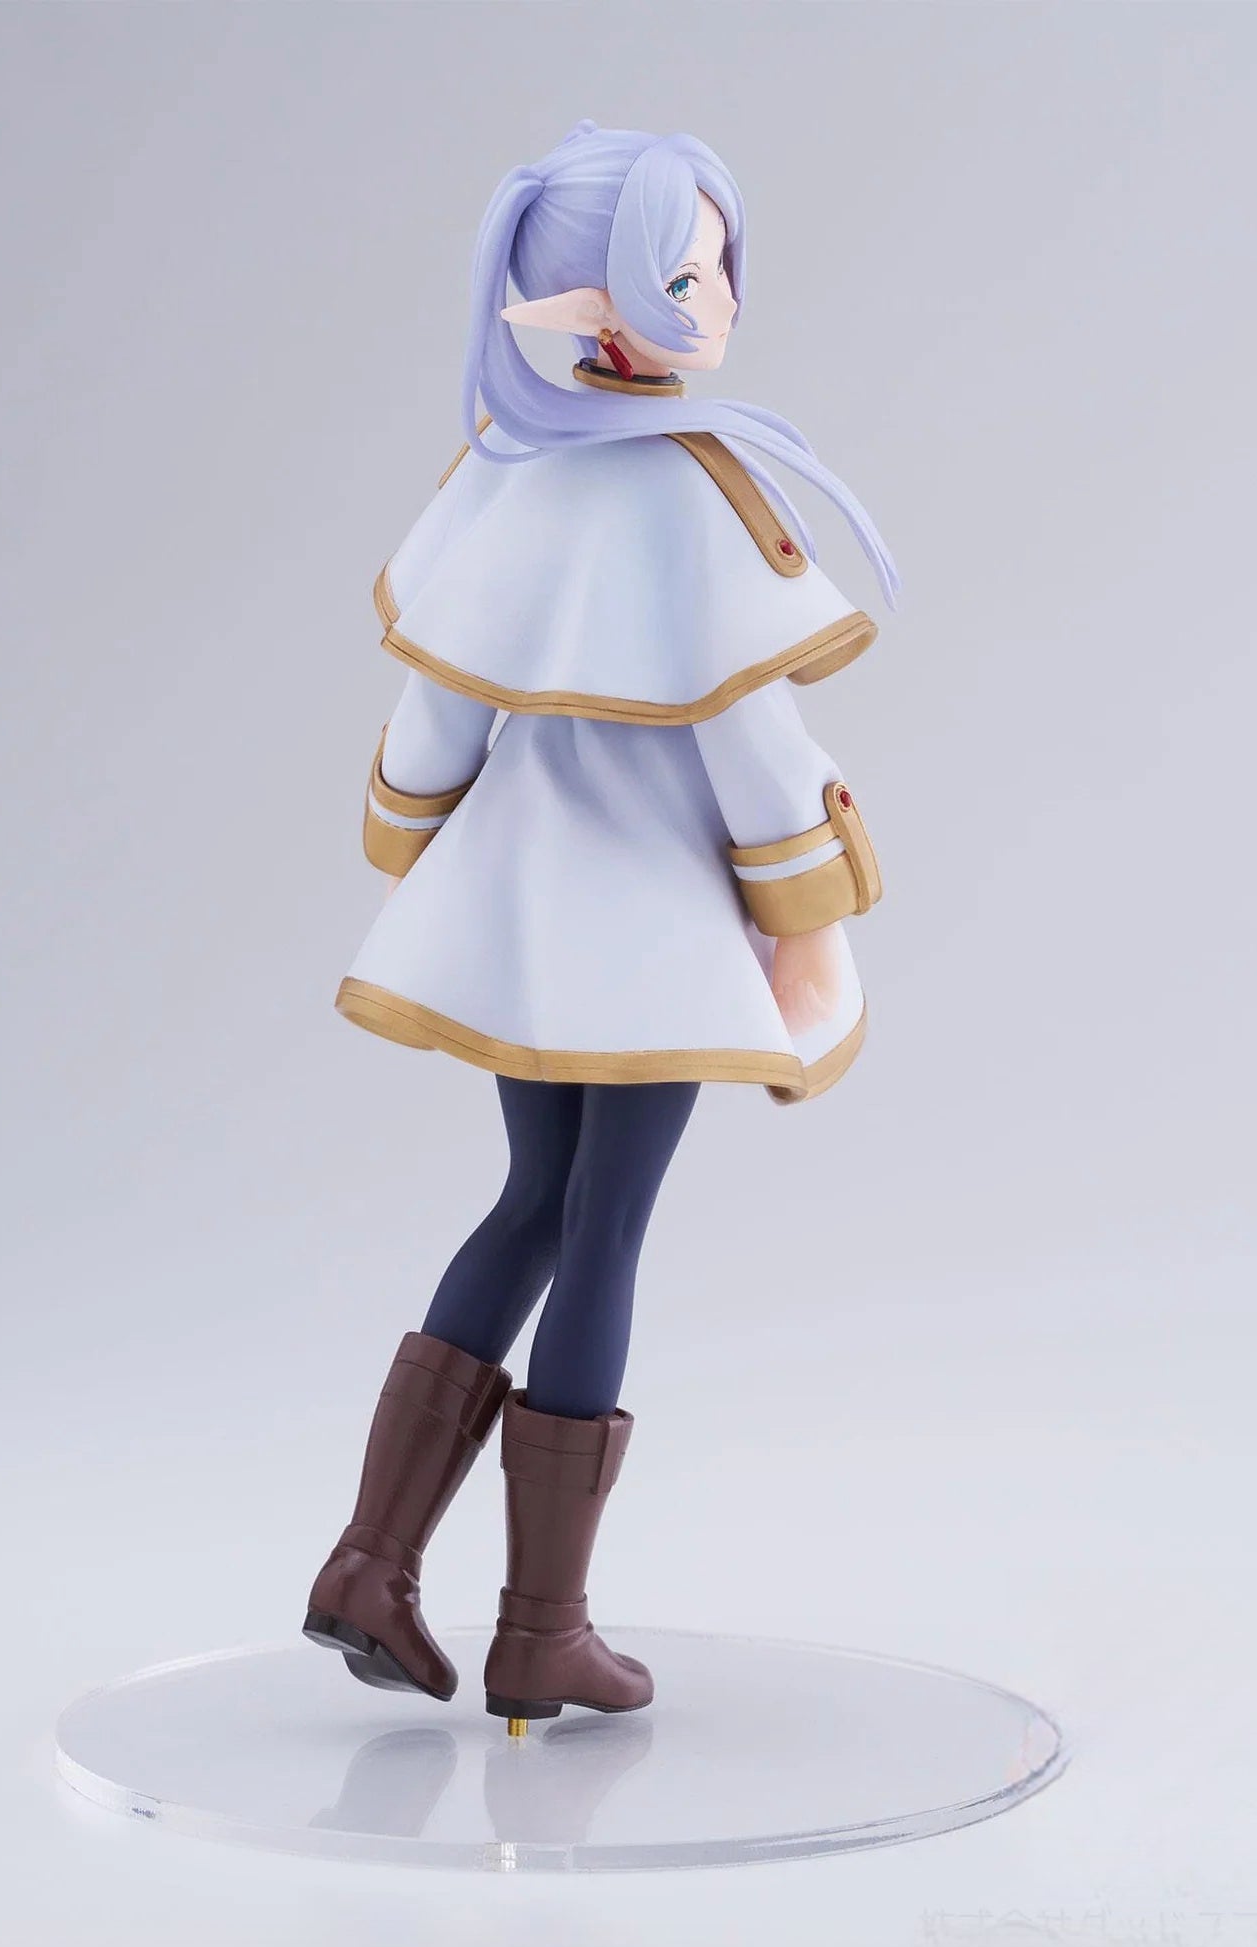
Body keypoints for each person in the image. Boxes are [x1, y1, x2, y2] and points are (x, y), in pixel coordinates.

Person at [304, 121, 899, 1729]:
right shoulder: (688, 495)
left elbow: (436, 711)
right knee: (601, 1228)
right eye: (681, 276)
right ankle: (539, 1630)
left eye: (712, 266)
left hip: (515, 908)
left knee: (532, 1205)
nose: (714, 299)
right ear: (585, 305)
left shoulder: (501, 473)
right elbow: (751, 739)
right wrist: (809, 905)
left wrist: (411, 849)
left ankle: (368, 1565)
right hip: (642, 930)